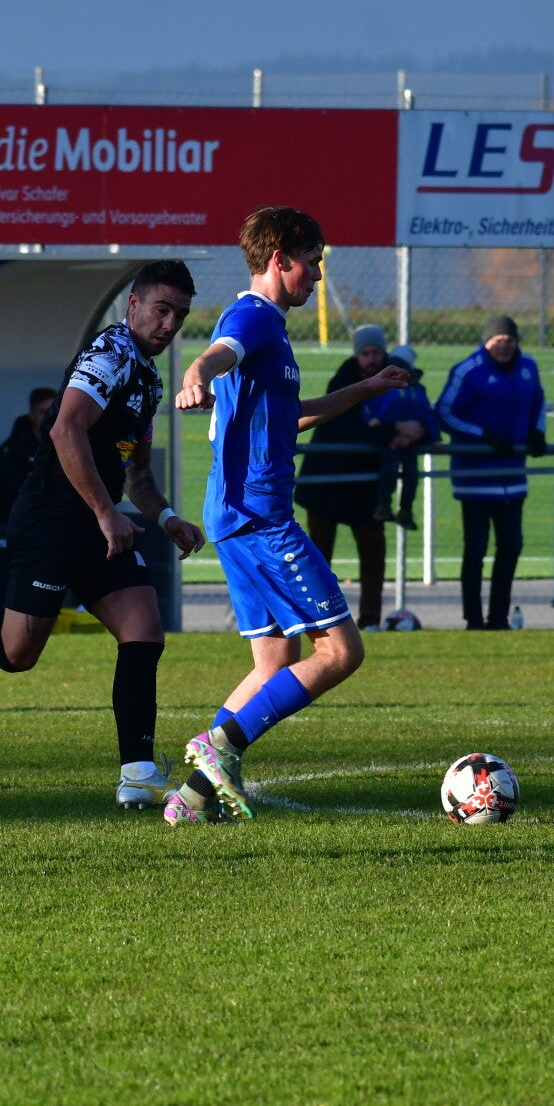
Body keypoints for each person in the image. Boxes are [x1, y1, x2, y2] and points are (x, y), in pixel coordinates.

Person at [0, 261, 207, 809]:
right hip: (53, 518)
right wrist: (106, 513)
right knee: (17, 655)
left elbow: (138, 472)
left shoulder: (148, 379)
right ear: (134, 305)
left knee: (144, 629)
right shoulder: (110, 352)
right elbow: (64, 429)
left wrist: (167, 518)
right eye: (161, 310)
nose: (169, 324)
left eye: (180, 315)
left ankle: (138, 772)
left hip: (100, 522)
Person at [162, 207, 407, 824]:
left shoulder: (271, 328)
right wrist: (194, 374)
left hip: (237, 512)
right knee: (342, 652)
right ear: (280, 260)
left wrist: (367, 389)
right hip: (260, 516)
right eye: (313, 262)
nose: (318, 276)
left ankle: (191, 799)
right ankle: (219, 746)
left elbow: (289, 416)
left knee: (273, 662)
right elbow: (217, 354)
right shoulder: (252, 317)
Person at [436, 315, 547, 631]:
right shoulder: (468, 371)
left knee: (511, 546)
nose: (504, 346)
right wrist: (483, 436)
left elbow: (538, 401)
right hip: (476, 479)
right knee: (476, 550)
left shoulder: (528, 368)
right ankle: (473, 618)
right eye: (498, 340)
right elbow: (444, 412)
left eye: (510, 340)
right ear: (486, 342)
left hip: (513, 478)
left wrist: (537, 432)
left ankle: (499, 617)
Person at [295, 325, 396, 630]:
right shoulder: (344, 381)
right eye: (365, 353)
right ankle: (318, 620)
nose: (371, 359)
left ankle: (370, 620)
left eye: (376, 352)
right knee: (318, 560)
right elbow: (349, 431)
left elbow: (413, 410)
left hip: (364, 487)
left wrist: (414, 429)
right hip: (327, 485)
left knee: (373, 556)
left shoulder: (393, 378)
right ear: (356, 355)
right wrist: (394, 431)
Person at [370, 344, 435, 528]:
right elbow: (375, 409)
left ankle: (405, 510)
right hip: (390, 441)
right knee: (390, 470)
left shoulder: (416, 390)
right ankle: (384, 505)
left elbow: (427, 415)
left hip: (408, 442)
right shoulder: (383, 387)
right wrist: (388, 428)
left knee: (411, 474)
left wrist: (424, 434)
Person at [0, 387, 58, 526]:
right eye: (43, 412)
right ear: (31, 415)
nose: (49, 416)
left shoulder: (68, 445)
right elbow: (5, 496)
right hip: (17, 519)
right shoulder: (10, 450)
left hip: (55, 517)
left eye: (54, 411)